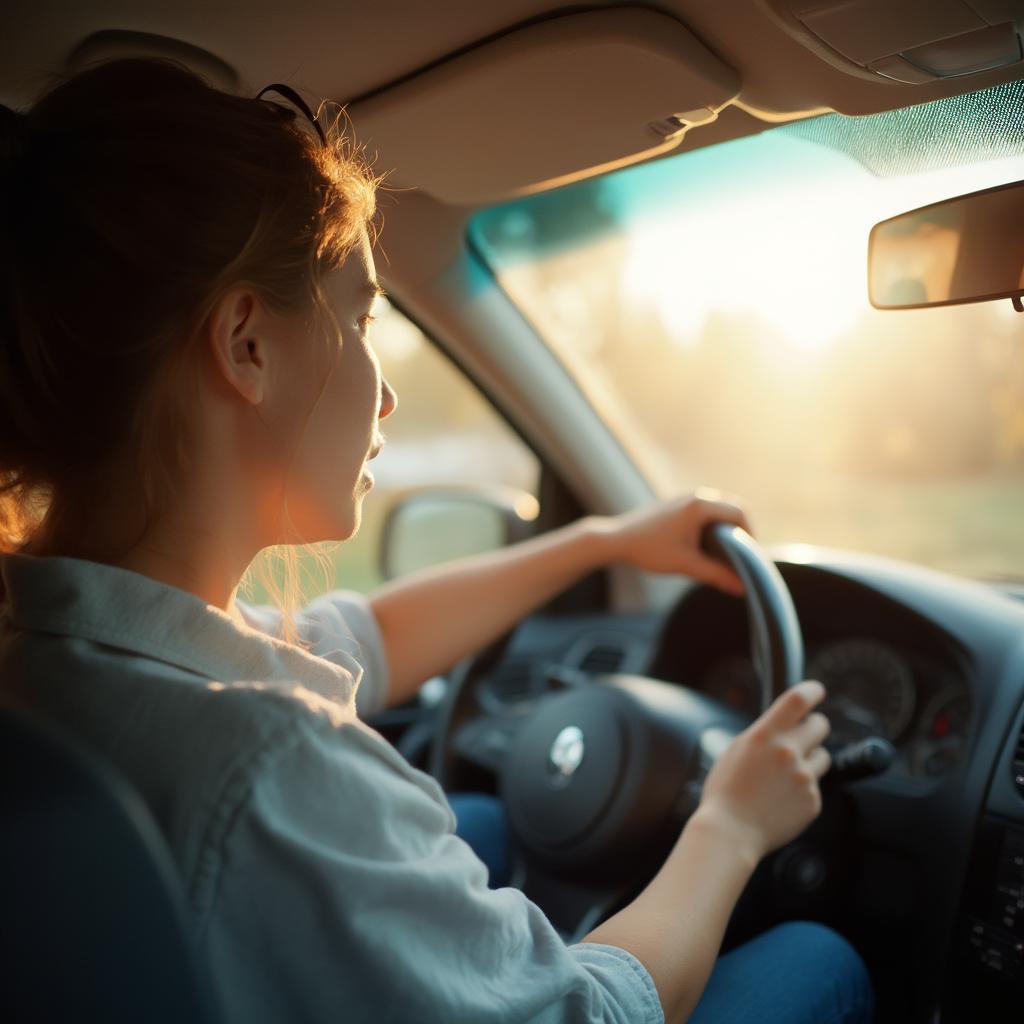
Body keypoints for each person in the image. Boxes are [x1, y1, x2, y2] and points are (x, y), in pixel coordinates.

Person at [0, 57, 873, 1023]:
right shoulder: (270, 768)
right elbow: (591, 1011)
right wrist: (732, 824)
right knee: (819, 956)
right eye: (362, 312)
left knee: (491, 822)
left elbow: (355, 638)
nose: (386, 389)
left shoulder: (56, 655)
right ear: (247, 343)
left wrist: (605, 542)